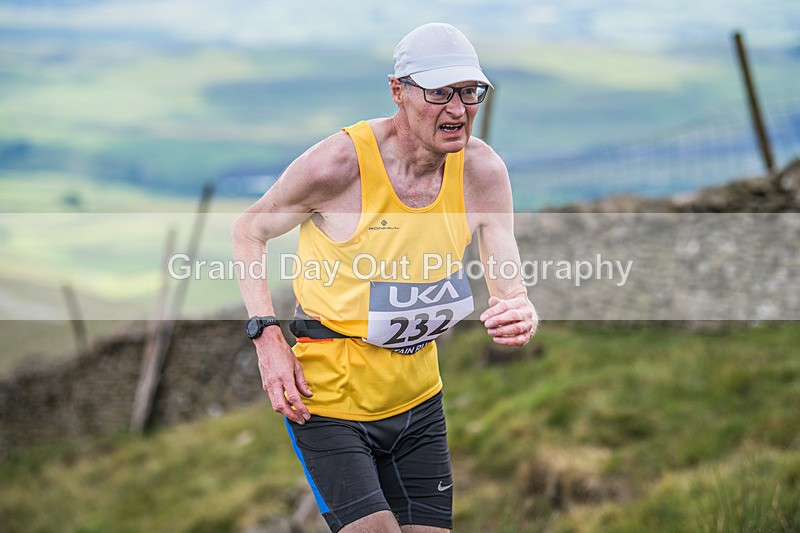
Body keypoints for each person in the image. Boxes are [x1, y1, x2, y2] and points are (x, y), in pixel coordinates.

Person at [231, 22, 538, 533]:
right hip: (327, 403)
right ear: (398, 90)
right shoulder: (339, 164)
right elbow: (248, 230)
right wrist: (266, 338)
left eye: (470, 91)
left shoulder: (483, 172)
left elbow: (508, 282)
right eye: (440, 92)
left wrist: (519, 308)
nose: (458, 110)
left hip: (419, 403)